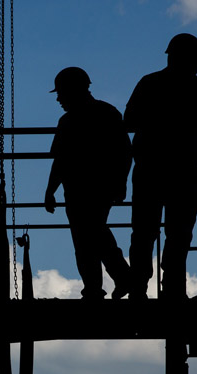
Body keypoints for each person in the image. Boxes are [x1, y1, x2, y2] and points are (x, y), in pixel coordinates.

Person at [125, 33, 197, 299]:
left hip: (149, 170)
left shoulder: (149, 82)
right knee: (179, 233)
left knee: (143, 233)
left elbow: (129, 120)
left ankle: (138, 288)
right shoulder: (196, 86)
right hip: (182, 171)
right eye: (195, 61)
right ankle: (173, 289)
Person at [44, 66, 133, 300]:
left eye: (61, 93)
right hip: (95, 188)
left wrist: (50, 191)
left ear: (73, 90)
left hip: (81, 190)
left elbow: (60, 161)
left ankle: (101, 286)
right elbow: (125, 152)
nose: (59, 99)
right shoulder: (106, 113)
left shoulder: (69, 121)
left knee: (87, 238)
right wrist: (121, 184)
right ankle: (116, 280)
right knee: (94, 234)